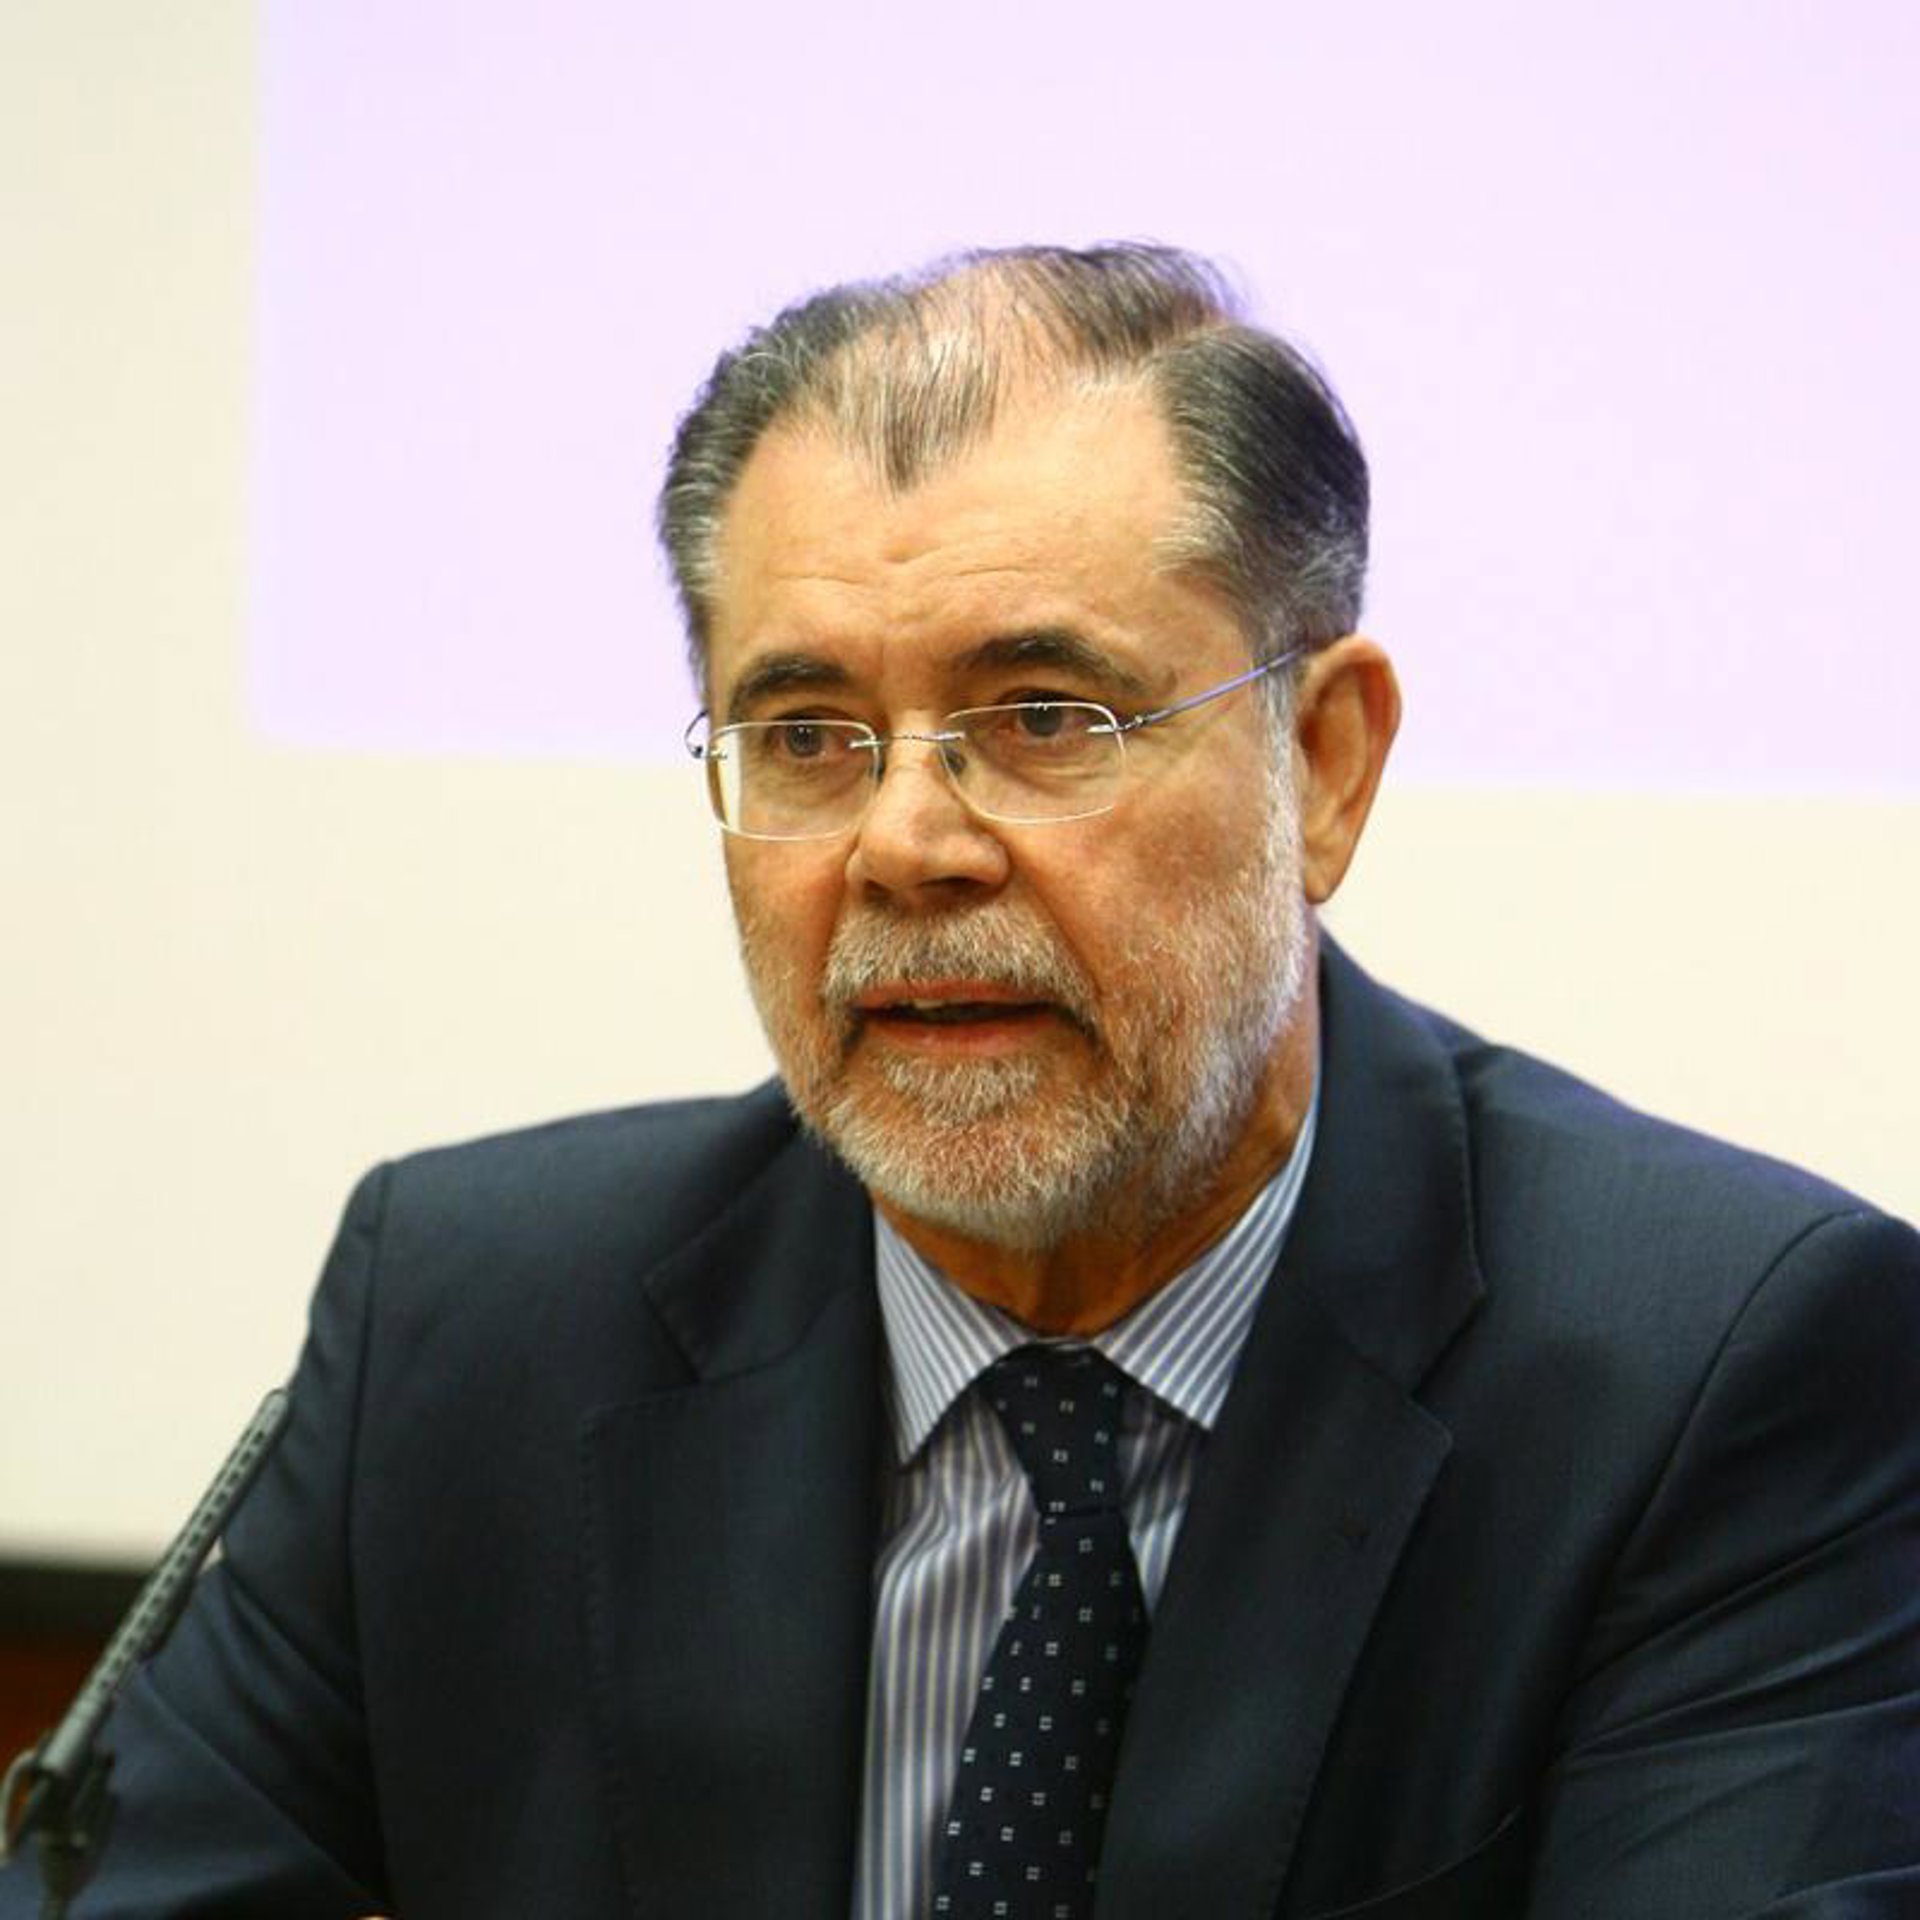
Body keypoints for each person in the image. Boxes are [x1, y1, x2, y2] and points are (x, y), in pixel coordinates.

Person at [7, 243, 1918, 1920]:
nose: (909, 844)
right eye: (807, 734)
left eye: (1045, 717)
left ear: (1324, 764)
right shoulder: (470, 1326)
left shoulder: (1718, 1376)